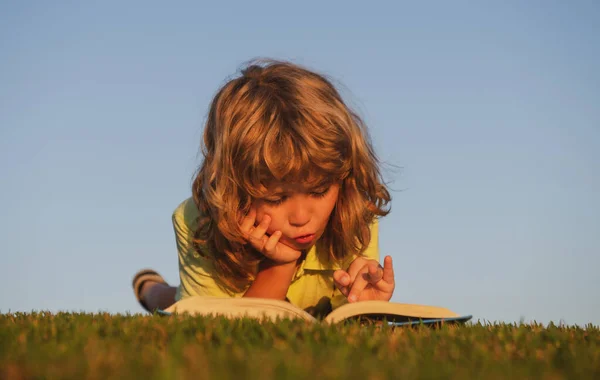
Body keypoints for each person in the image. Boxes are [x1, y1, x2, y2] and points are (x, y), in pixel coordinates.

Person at [132, 59, 395, 318]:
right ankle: (151, 289)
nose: (301, 217)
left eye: (318, 191)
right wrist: (281, 265)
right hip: (224, 294)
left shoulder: (353, 207)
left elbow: (343, 318)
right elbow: (226, 331)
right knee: (170, 302)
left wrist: (365, 305)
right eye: (277, 198)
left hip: (310, 306)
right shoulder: (197, 223)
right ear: (235, 190)